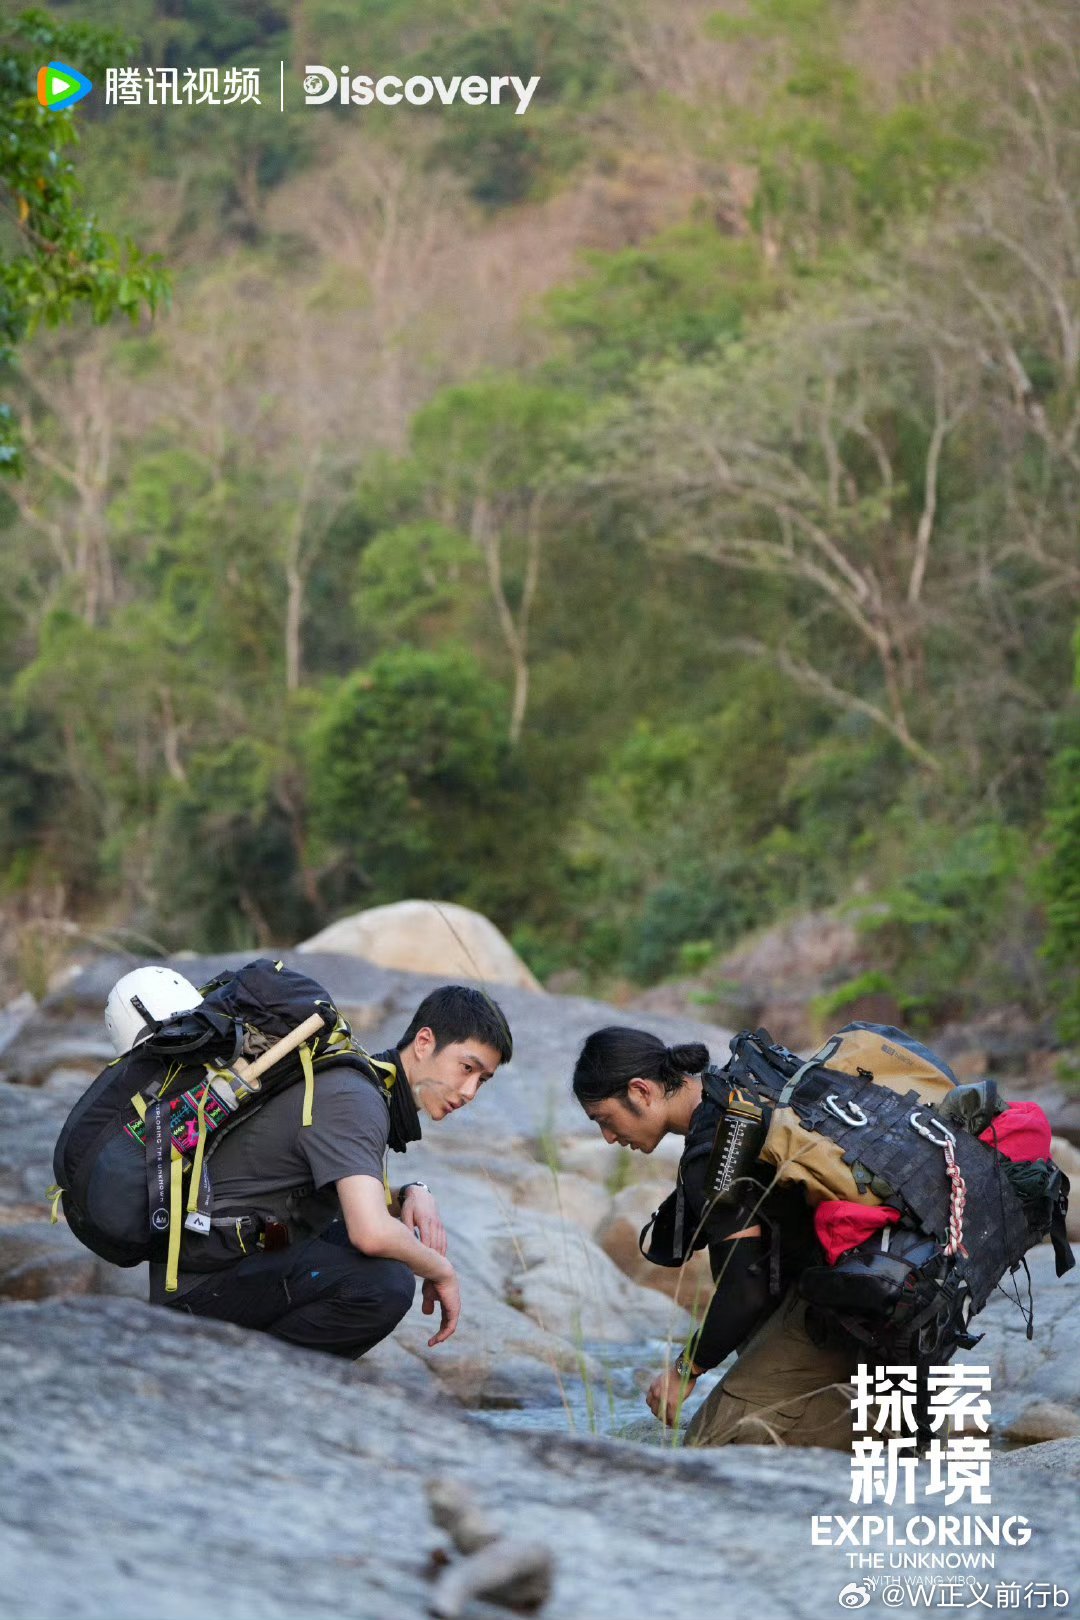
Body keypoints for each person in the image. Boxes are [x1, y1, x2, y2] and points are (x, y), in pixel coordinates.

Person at [119, 974, 513, 1360]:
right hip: (199, 1289)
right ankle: (261, 1384)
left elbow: (348, 1198)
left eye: (483, 1080)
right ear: (425, 1042)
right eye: (467, 1068)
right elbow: (371, 1233)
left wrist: (413, 1192)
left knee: (371, 1255)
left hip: (219, 1266)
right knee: (383, 1284)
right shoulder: (355, 1099)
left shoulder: (358, 1084)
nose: (469, 1092)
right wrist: (441, 1270)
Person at [572, 1025, 859, 1449]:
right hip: (879, 1288)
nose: (609, 1138)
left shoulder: (718, 1145)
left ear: (641, 1091)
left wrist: (684, 1370)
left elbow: (746, 1288)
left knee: (709, 1449)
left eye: (605, 1120)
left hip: (835, 1310)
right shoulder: (743, 1090)